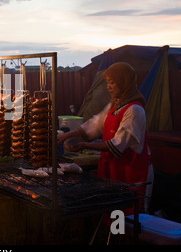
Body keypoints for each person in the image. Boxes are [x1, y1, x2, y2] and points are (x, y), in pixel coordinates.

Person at [57, 62, 153, 214]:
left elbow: (117, 145)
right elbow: (94, 125)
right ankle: (113, 237)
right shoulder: (114, 106)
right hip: (112, 171)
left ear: (124, 82)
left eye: (112, 82)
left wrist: (84, 145)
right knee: (112, 215)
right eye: (107, 82)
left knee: (127, 217)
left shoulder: (134, 110)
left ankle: (123, 238)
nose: (108, 86)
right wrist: (66, 135)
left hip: (131, 173)